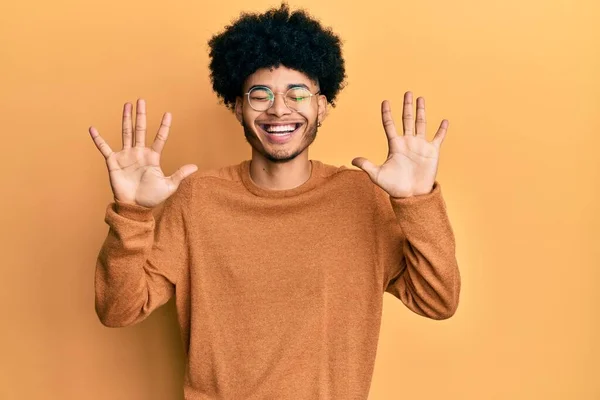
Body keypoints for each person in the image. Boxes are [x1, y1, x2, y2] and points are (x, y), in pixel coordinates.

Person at [89, 3, 461, 399]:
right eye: (260, 94)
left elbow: (438, 301)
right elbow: (118, 310)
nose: (279, 108)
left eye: (297, 93)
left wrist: (418, 202)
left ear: (322, 106)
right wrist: (133, 212)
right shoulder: (197, 201)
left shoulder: (361, 198)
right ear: (237, 106)